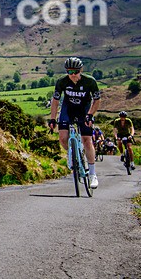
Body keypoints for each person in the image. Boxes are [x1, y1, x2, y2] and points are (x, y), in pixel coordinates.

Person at [47, 57, 102, 189]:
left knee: (87, 140)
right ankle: (71, 153)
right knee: (62, 138)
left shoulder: (90, 81)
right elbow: (55, 101)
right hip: (68, 109)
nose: (73, 75)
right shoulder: (62, 82)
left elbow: (97, 100)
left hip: (84, 110)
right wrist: (53, 119)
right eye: (70, 71)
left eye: (76, 71)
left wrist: (90, 115)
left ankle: (93, 174)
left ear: (81, 70)